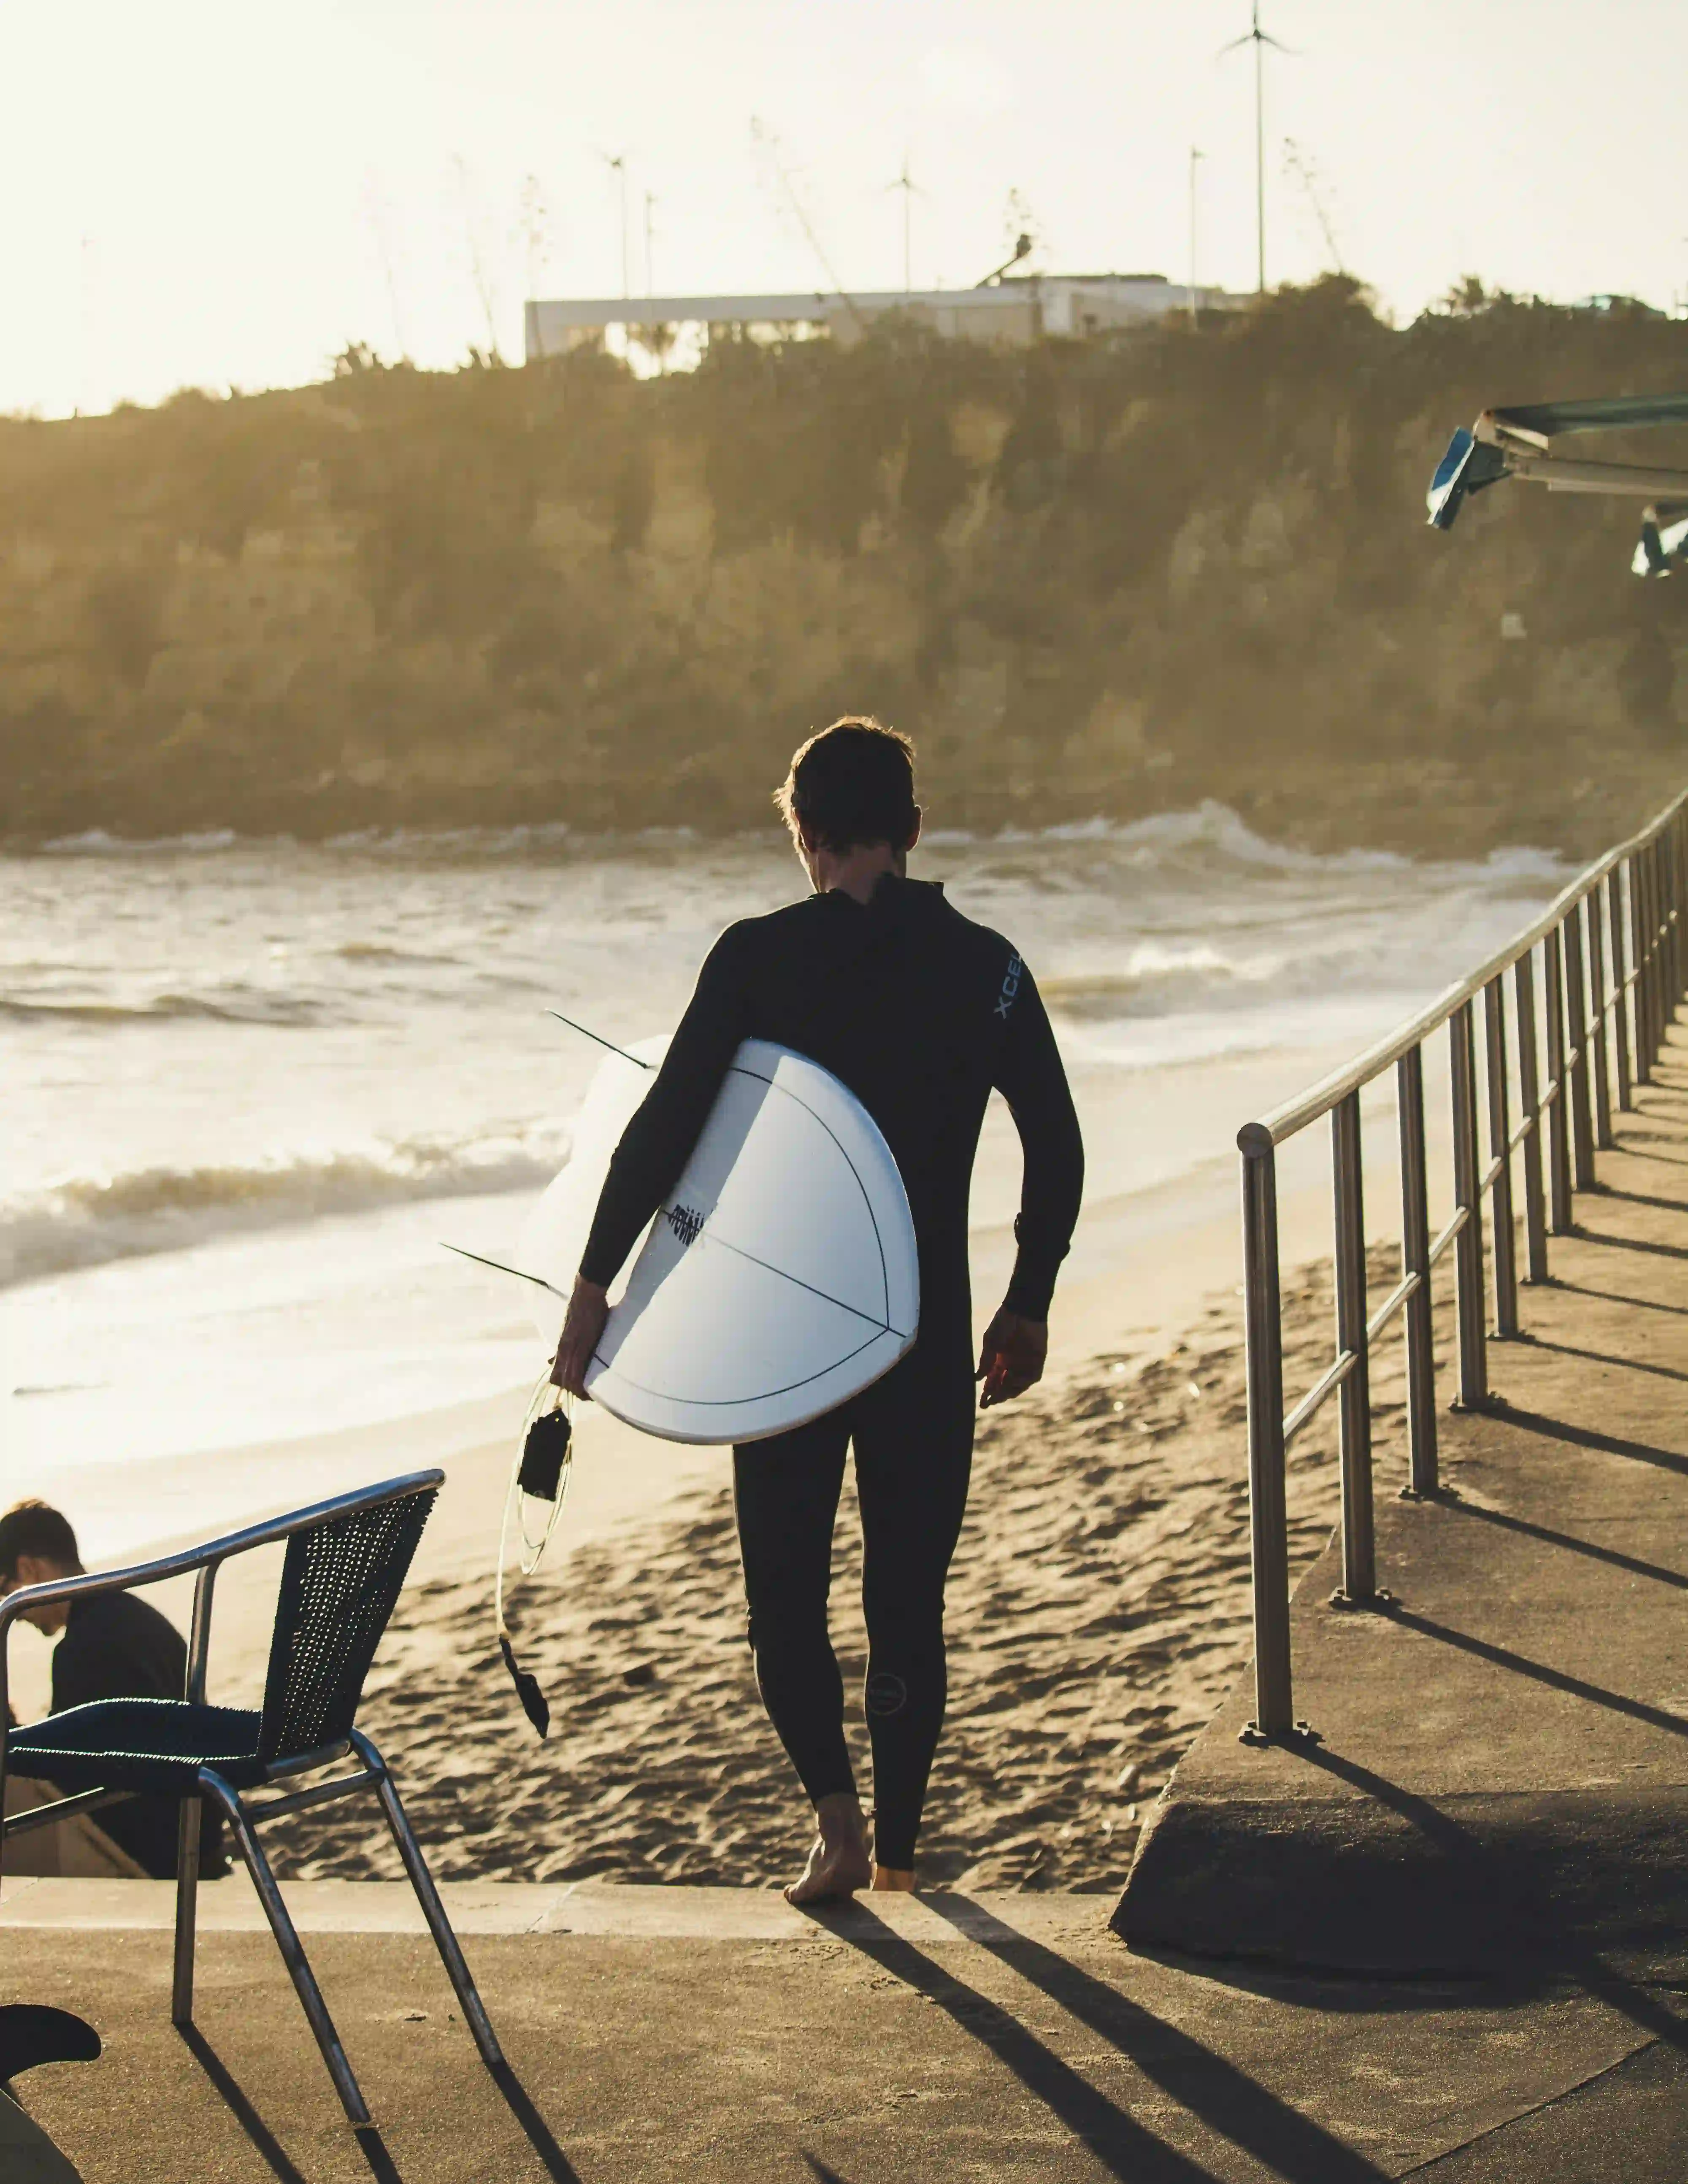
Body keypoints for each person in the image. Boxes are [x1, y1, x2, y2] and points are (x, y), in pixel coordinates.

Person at [552, 717, 1084, 1902]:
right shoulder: (988, 966)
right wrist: (1029, 1299)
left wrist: (595, 1295)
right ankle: (898, 1855)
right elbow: (1056, 1143)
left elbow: (665, 1131)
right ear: (913, 826)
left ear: (805, 831)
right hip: (926, 1340)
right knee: (908, 1601)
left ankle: (836, 1828)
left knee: (784, 1598)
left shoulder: (759, 956)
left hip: (780, 1345)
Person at [0, 1500, 223, 1880]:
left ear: (29, 1569)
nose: (14, 1614)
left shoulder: (83, 1648)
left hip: (155, 1854)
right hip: (201, 1828)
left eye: (6, 1591)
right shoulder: (136, 1616)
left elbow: (61, 1775)